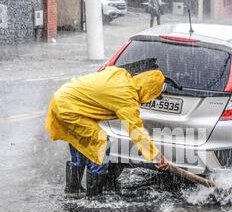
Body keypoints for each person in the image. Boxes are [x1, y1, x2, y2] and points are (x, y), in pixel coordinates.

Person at [45, 66, 169, 197]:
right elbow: (136, 132)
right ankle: (94, 196)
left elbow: (106, 71)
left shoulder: (121, 74)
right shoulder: (127, 98)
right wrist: (156, 155)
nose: (151, 99)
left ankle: (73, 189)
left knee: (80, 143)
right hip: (70, 109)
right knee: (102, 143)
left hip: (62, 97)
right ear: (149, 91)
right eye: (154, 95)